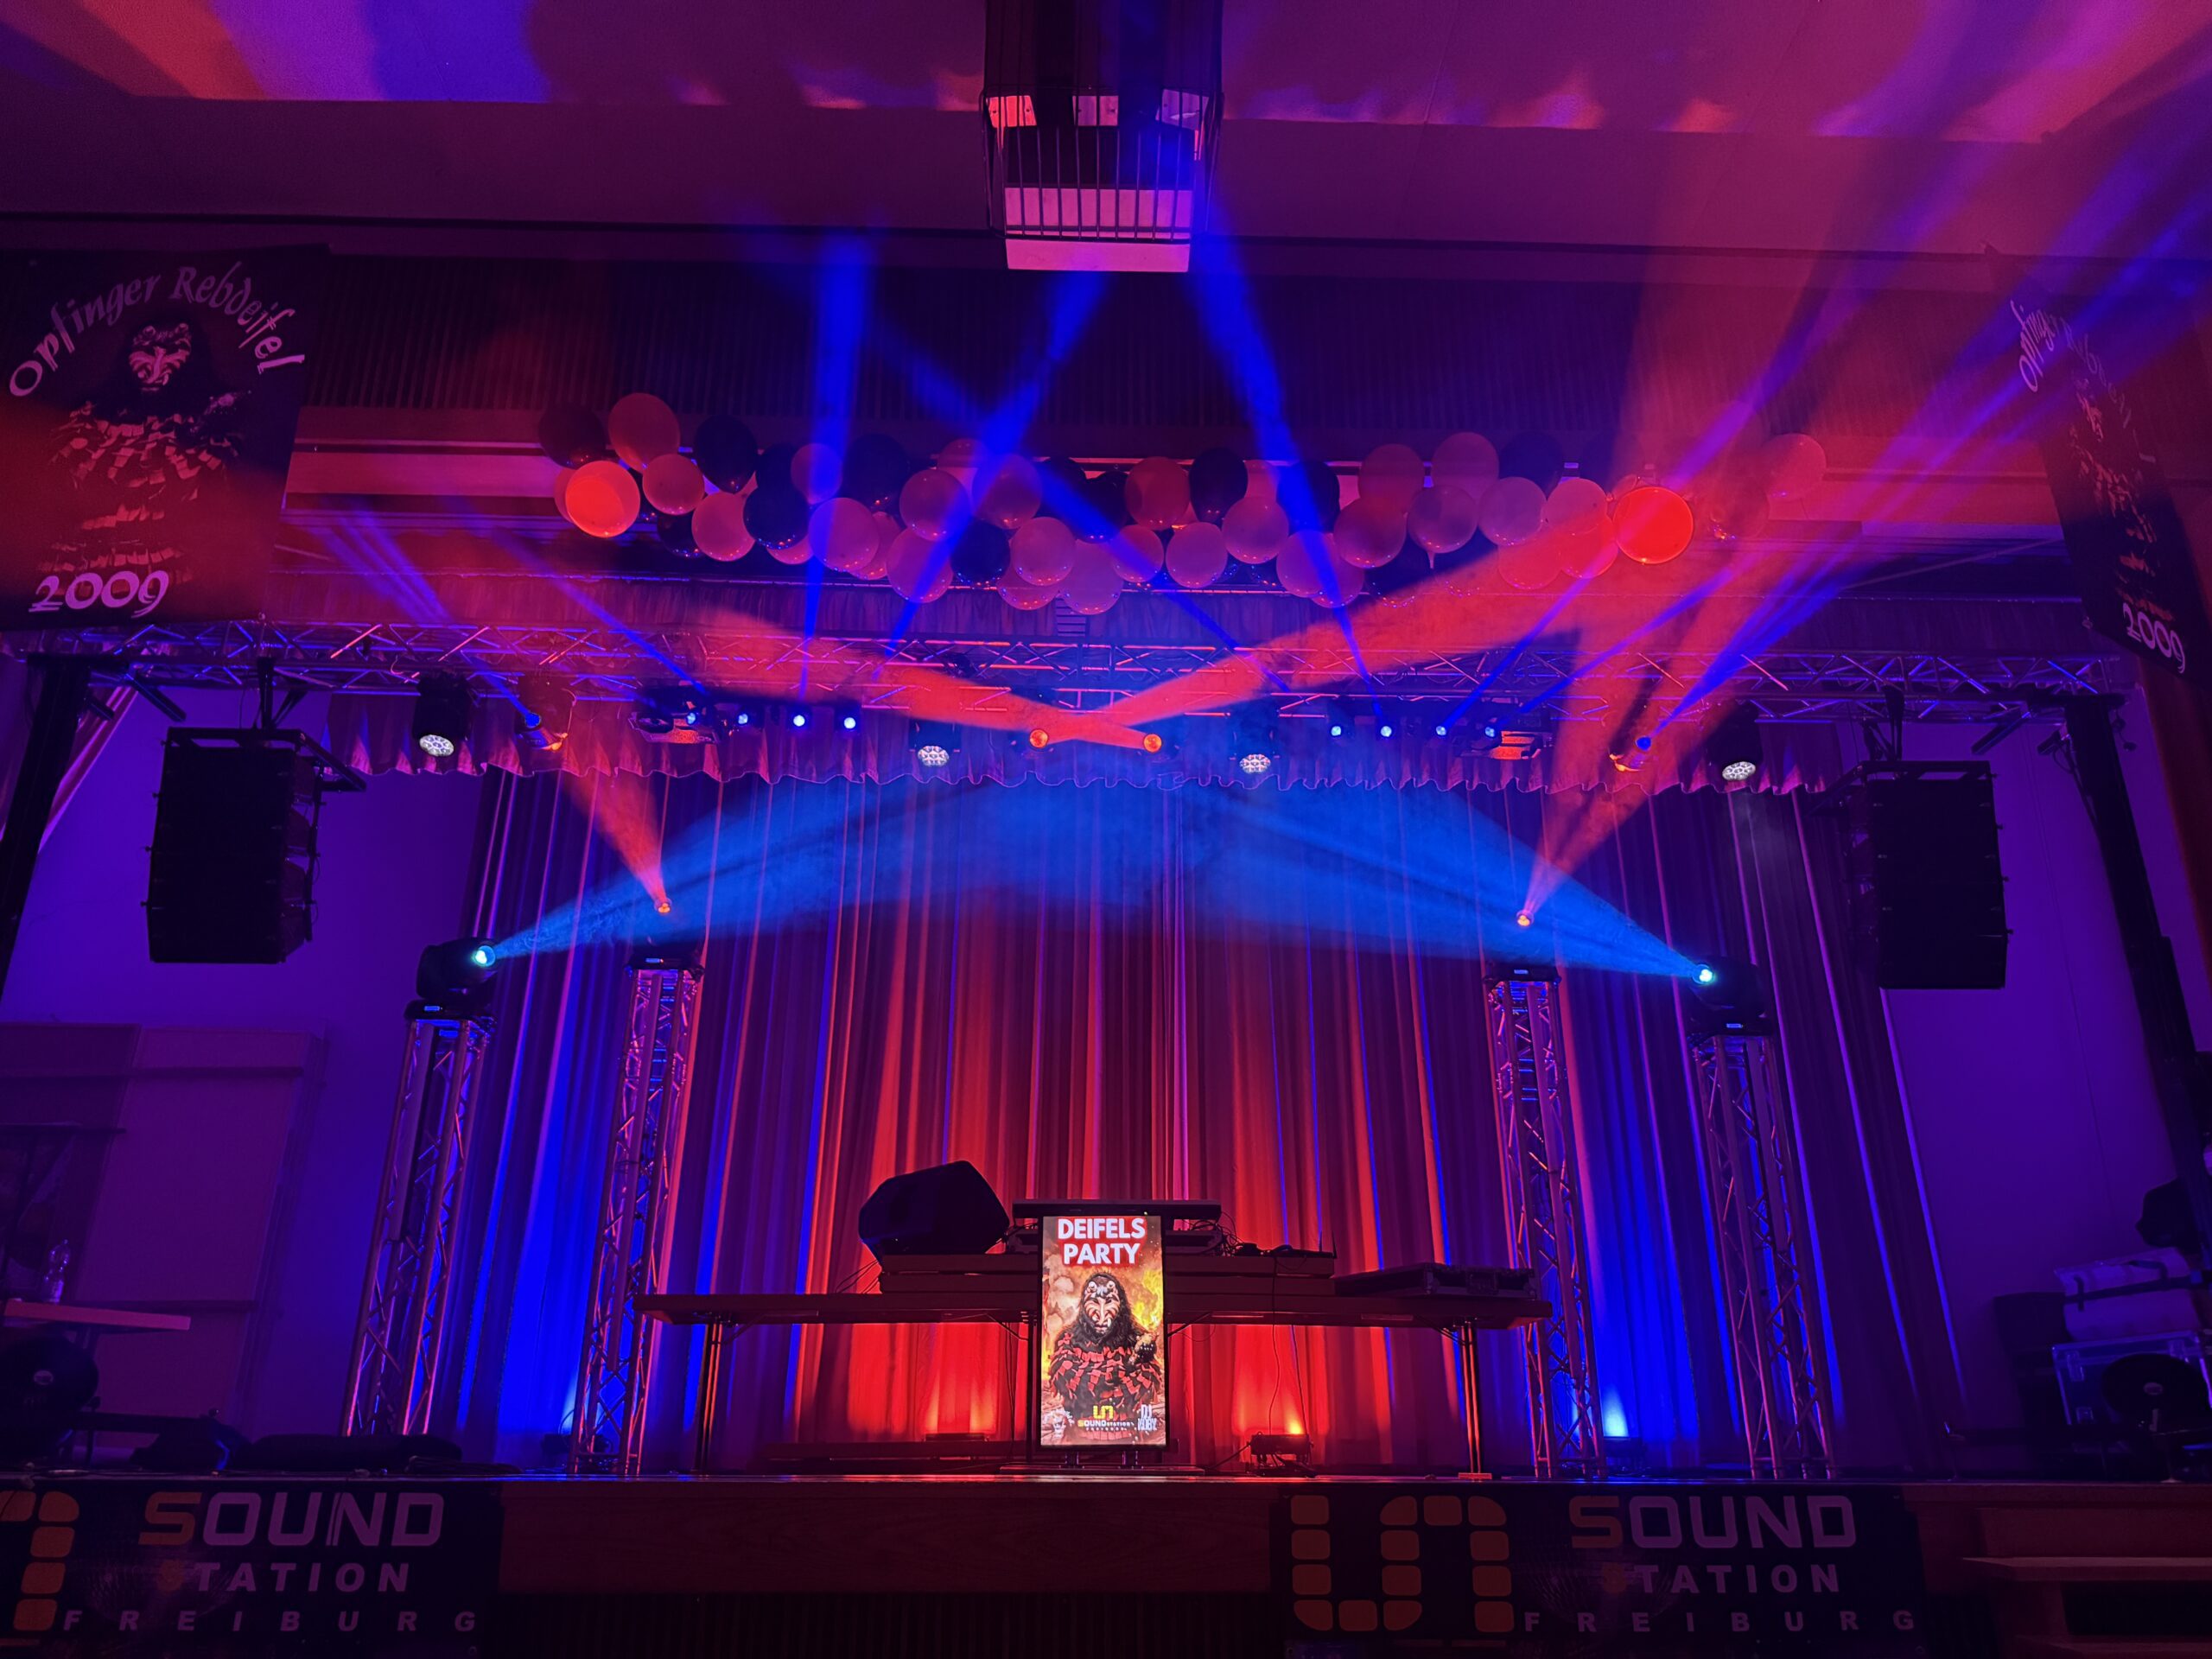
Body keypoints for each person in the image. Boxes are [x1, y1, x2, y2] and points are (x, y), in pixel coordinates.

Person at [1042, 1270, 1162, 1445]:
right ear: (1084, 1304)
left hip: (1128, 1439)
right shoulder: (1068, 1339)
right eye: (1094, 1302)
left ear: (1121, 1305)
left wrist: (1142, 1358)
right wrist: (1123, 1371)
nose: (1102, 1313)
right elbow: (1071, 1381)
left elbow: (1147, 1381)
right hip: (1078, 1439)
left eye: (1109, 1301)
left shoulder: (1137, 1338)